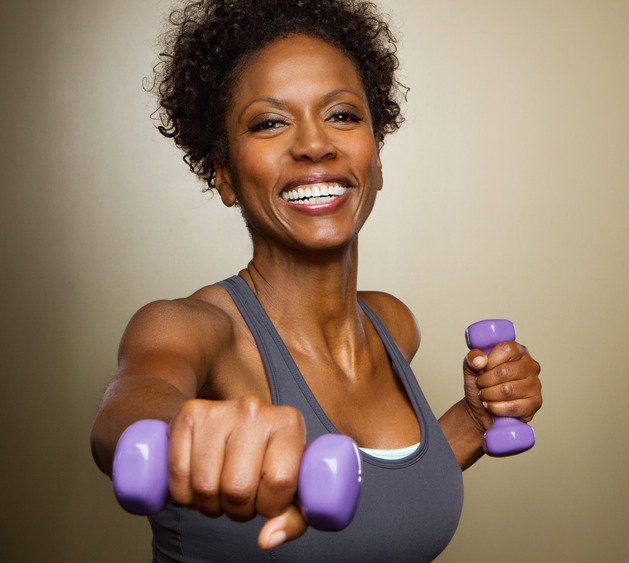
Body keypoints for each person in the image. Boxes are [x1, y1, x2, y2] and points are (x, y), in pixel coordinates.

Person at [89, 1, 543, 560]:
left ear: (376, 161)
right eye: (270, 122)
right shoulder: (191, 328)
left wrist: (475, 420)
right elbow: (126, 412)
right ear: (225, 175)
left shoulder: (391, 325)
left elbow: (376, 499)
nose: (313, 144)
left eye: (343, 116)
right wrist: (182, 434)